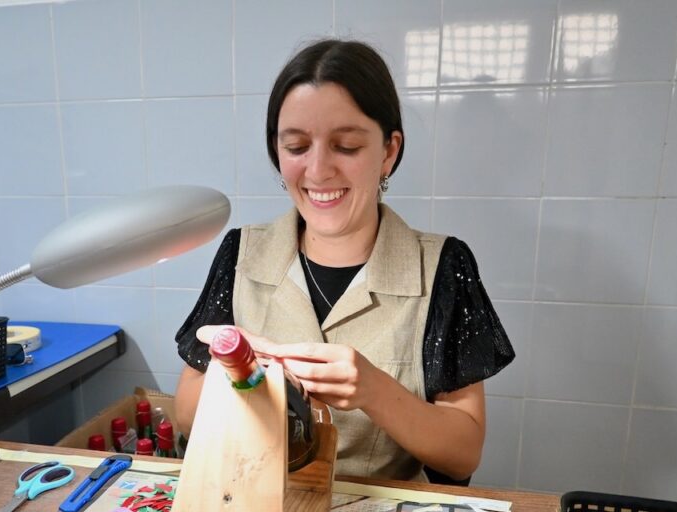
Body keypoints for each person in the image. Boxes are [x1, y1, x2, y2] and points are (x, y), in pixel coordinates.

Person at [174, 39, 514, 484]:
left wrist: (373, 389)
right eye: (296, 147)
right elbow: (184, 413)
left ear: (389, 151)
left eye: (346, 146)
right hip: (259, 506)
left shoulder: (442, 267)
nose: (317, 171)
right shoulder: (242, 254)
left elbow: (463, 453)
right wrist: (245, 377)